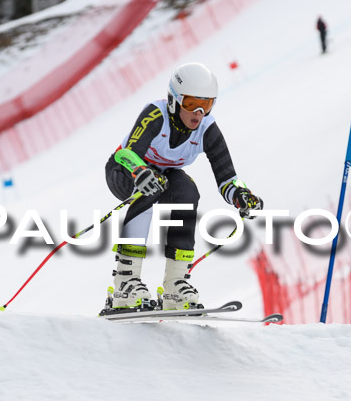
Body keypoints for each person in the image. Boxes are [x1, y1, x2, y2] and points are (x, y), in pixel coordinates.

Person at [104, 62, 263, 311]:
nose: (198, 113)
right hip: (123, 170)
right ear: (174, 100)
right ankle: (125, 282)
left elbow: (227, 176)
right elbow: (126, 154)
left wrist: (240, 195)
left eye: (206, 105)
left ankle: (174, 286)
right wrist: (140, 172)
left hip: (162, 176)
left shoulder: (207, 129)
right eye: (190, 104)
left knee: (188, 192)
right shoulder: (156, 115)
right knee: (150, 187)